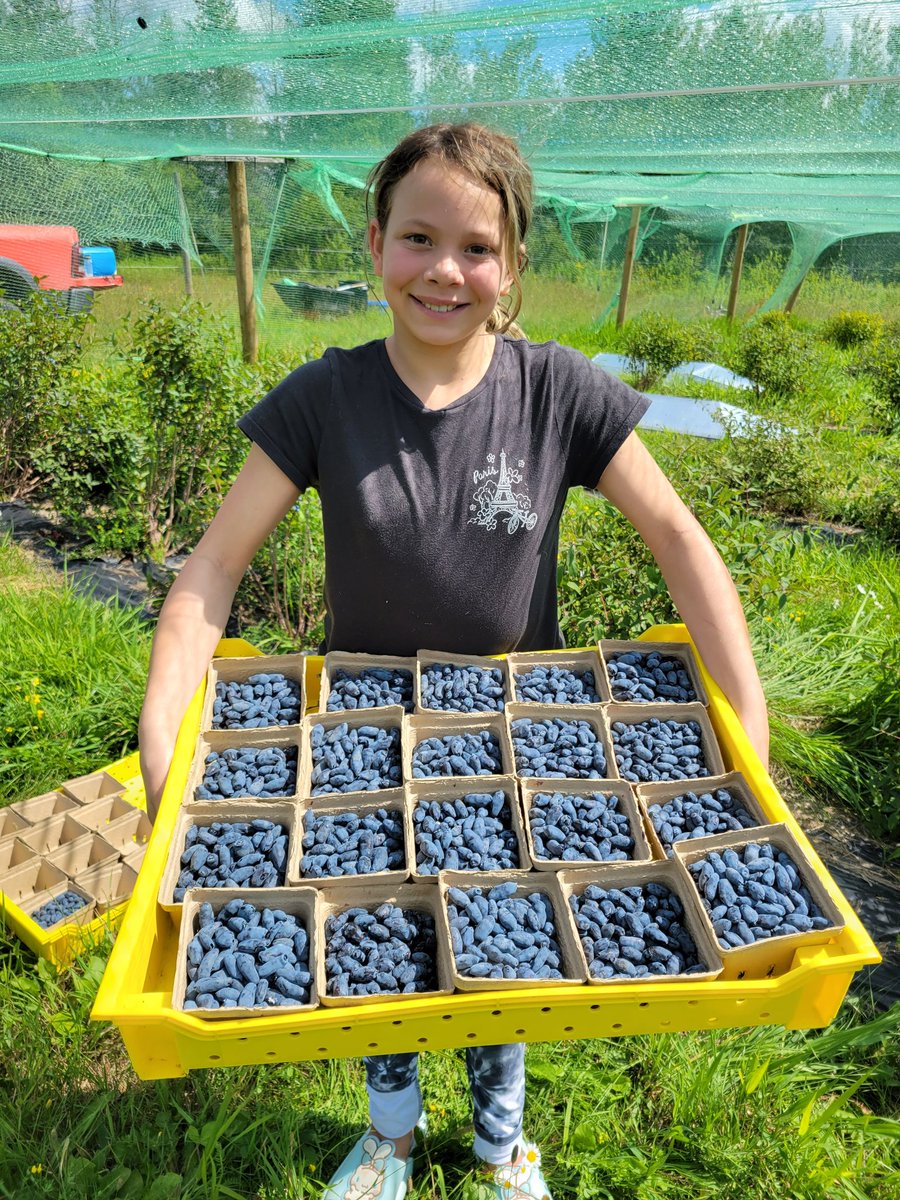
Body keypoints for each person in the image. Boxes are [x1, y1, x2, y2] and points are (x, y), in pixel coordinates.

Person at [139, 121, 769, 1200]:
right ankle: (389, 1134)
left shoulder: (557, 391)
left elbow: (677, 536)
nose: (445, 270)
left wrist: (745, 738)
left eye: (477, 247)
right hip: (361, 748)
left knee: (503, 951)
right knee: (375, 942)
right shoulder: (326, 398)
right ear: (376, 242)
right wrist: (164, 756)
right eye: (418, 237)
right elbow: (213, 571)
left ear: (513, 264)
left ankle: (498, 1144)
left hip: (514, 734)